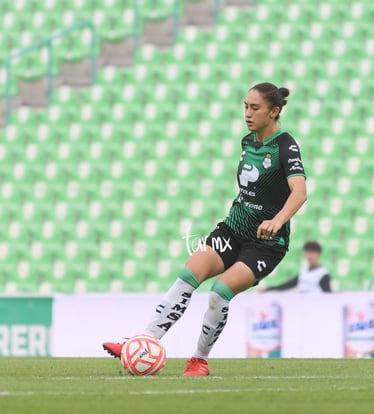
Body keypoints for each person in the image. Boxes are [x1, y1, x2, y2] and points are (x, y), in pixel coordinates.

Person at [103, 82, 307, 376]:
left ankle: (199, 359)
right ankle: (144, 341)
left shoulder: (285, 145)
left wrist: (277, 221)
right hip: (232, 230)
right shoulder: (248, 142)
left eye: (255, 108)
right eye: (245, 106)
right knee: (189, 273)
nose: (247, 113)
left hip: (265, 243)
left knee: (219, 292)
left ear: (274, 112)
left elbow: (299, 192)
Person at [264, 241, 332, 292]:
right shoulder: (304, 270)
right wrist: (269, 289)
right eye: (307, 252)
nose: (309, 256)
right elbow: (290, 284)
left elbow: (327, 293)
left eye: (312, 253)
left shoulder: (323, 273)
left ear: (319, 254)